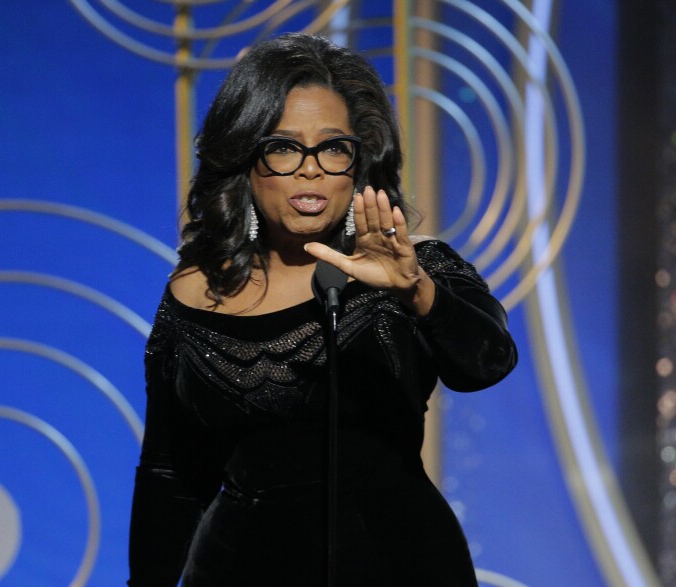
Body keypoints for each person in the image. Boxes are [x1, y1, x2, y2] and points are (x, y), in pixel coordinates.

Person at [127, 33, 517, 586]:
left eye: (333, 148)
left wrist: (416, 290)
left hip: (399, 567)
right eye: (284, 147)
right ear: (245, 160)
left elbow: (488, 363)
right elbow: (171, 476)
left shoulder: (416, 269)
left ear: (358, 166)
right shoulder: (196, 291)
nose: (310, 169)